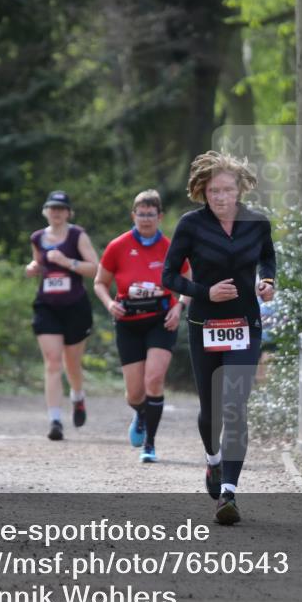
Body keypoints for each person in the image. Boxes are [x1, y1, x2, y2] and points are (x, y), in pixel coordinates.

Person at [162, 151, 275, 525]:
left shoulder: (257, 223)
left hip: (246, 324)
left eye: (227, 189)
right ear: (202, 191)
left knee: (234, 406)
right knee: (211, 410)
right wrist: (204, 291)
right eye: (213, 191)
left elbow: (268, 259)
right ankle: (212, 461)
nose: (221, 197)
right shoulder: (191, 225)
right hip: (204, 325)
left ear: (240, 189)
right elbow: (169, 277)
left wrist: (268, 281)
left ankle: (229, 493)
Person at [94, 190, 192, 463]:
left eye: (151, 214)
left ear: (159, 217)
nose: (146, 219)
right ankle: (139, 412)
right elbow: (100, 283)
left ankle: (149, 444)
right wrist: (109, 304)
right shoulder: (118, 246)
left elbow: (188, 279)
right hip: (128, 323)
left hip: (161, 320)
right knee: (135, 393)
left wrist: (179, 305)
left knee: (155, 379)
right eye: (141, 214)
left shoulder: (170, 248)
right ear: (133, 215)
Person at [25, 191, 98, 441]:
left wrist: (67, 261)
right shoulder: (37, 238)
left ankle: (77, 397)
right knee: (53, 361)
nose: (56, 212)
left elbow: (94, 268)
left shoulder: (78, 235)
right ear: (45, 211)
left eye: (61, 208)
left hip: (75, 306)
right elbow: (38, 265)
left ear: (68, 212)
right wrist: (32, 269)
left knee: (72, 363)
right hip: (47, 306)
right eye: (52, 208)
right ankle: (55, 420)